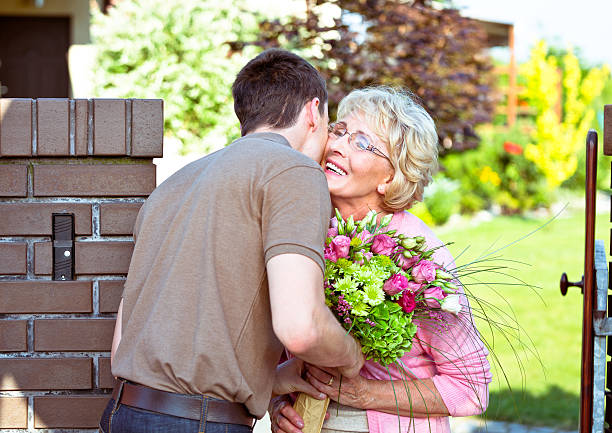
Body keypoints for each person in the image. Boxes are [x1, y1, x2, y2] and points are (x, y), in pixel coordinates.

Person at [99, 49, 364, 433]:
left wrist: (268, 379)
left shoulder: (174, 186)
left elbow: (122, 347)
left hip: (124, 413)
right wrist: (350, 355)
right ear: (313, 111)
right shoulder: (295, 171)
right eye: (329, 124)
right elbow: (301, 327)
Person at [270, 86, 492, 433]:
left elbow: (472, 390)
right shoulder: (306, 230)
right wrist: (281, 403)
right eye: (340, 131)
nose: (338, 145)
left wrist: (366, 393)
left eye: (361, 142)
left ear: (391, 177)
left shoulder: (417, 259)